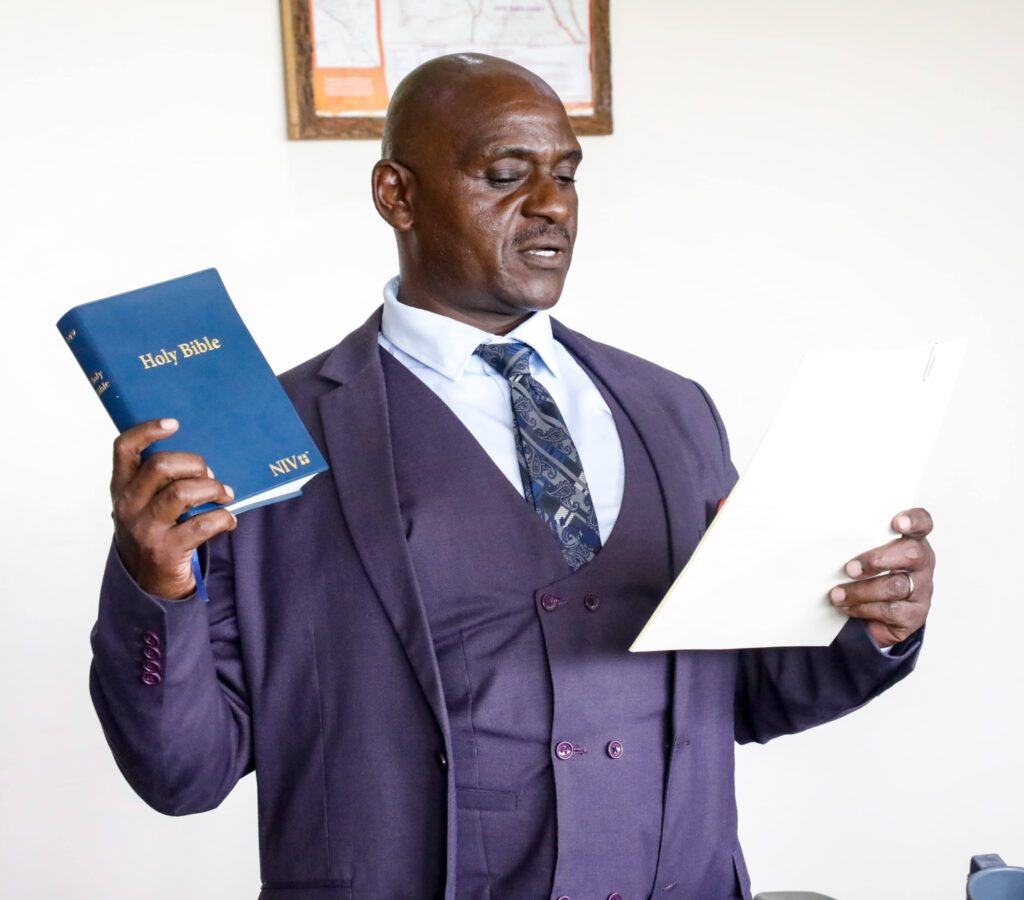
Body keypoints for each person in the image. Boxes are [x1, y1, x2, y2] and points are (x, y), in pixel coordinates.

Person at [92, 55, 934, 900]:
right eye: (505, 175)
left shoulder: (675, 410)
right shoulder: (269, 439)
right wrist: (152, 584)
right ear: (397, 195)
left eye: (566, 175)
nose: (552, 205)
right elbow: (184, 770)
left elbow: (747, 695)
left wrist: (872, 622)